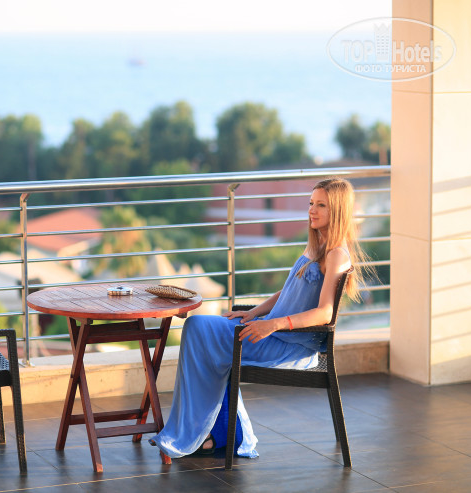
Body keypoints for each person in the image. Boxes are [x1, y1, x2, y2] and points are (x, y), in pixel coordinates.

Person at [148, 177, 370, 458]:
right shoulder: (317, 246)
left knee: (198, 329)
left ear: (337, 210)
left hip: (288, 345)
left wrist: (273, 324)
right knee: (198, 329)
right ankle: (212, 434)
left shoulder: (337, 254)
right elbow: (288, 292)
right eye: (311, 203)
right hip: (272, 332)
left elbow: (326, 312)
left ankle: (204, 434)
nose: (312, 210)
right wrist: (254, 312)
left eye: (321, 205)